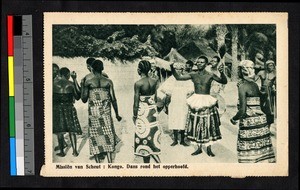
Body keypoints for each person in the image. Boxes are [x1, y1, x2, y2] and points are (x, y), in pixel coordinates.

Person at [171, 55, 227, 157]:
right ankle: (199, 148)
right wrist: (171, 66)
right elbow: (178, 77)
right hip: (196, 101)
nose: (199, 64)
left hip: (207, 101)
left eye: (202, 62)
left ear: (206, 64)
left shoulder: (210, 75)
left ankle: (209, 148)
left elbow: (224, 81)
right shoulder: (193, 74)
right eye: (198, 62)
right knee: (196, 124)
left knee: (208, 124)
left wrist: (222, 72)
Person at [230, 60, 276, 163]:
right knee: (260, 156)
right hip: (261, 122)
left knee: (248, 159)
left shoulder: (243, 87)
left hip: (249, 123)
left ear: (241, 71)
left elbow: (242, 110)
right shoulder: (254, 85)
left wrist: (233, 119)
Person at [81, 60, 122, 163]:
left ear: (92, 68)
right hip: (105, 113)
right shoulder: (108, 81)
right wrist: (117, 114)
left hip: (94, 114)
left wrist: (82, 86)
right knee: (107, 134)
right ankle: (109, 161)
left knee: (95, 135)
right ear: (102, 69)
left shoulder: (88, 82)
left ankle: (98, 163)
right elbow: (113, 99)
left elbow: (84, 99)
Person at [159, 60, 194, 147]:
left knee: (183, 120)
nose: (178, 71)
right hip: (174, 102)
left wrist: (188, 94)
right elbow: (162, 88)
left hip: (183, 102)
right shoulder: (171, 79)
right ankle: (175, 140)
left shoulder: (185, 78)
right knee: (174, 120)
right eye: (176, 69)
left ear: (182, 70)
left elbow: (192, 88)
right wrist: (169, 93)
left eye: (180, 69)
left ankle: (182, 140)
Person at [133, 60, 161, 163]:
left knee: (144, 138)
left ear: (139, 70)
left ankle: (147, 164)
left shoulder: (138, 83)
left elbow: (136, 103)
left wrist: (134, 116)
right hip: (152, 112)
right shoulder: (154, 81)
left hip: (143, 113)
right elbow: (156, 99)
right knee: (152, 136)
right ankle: (155, 161)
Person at [53, 67, 82, 157]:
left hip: (57, 108)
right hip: (69, 108)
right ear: (68, 75)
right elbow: (78, 96)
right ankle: (75, 151)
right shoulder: (71, 84)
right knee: (71, 129)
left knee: (60, 131)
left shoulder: (53, 84)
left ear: (60, 74)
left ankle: (62, 151)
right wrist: (75, 79)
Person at [257, 60, 276, 127]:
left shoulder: (275, 74)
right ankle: (261, 125)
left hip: (270, 93)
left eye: (272, 65)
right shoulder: (261, 73)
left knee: (270, 109)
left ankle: (268, 126)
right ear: (266, 66)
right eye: (269, 65)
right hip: (262, 92)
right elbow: (254, 81)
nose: (271, 67)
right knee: (261, 108)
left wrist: (274, 89)